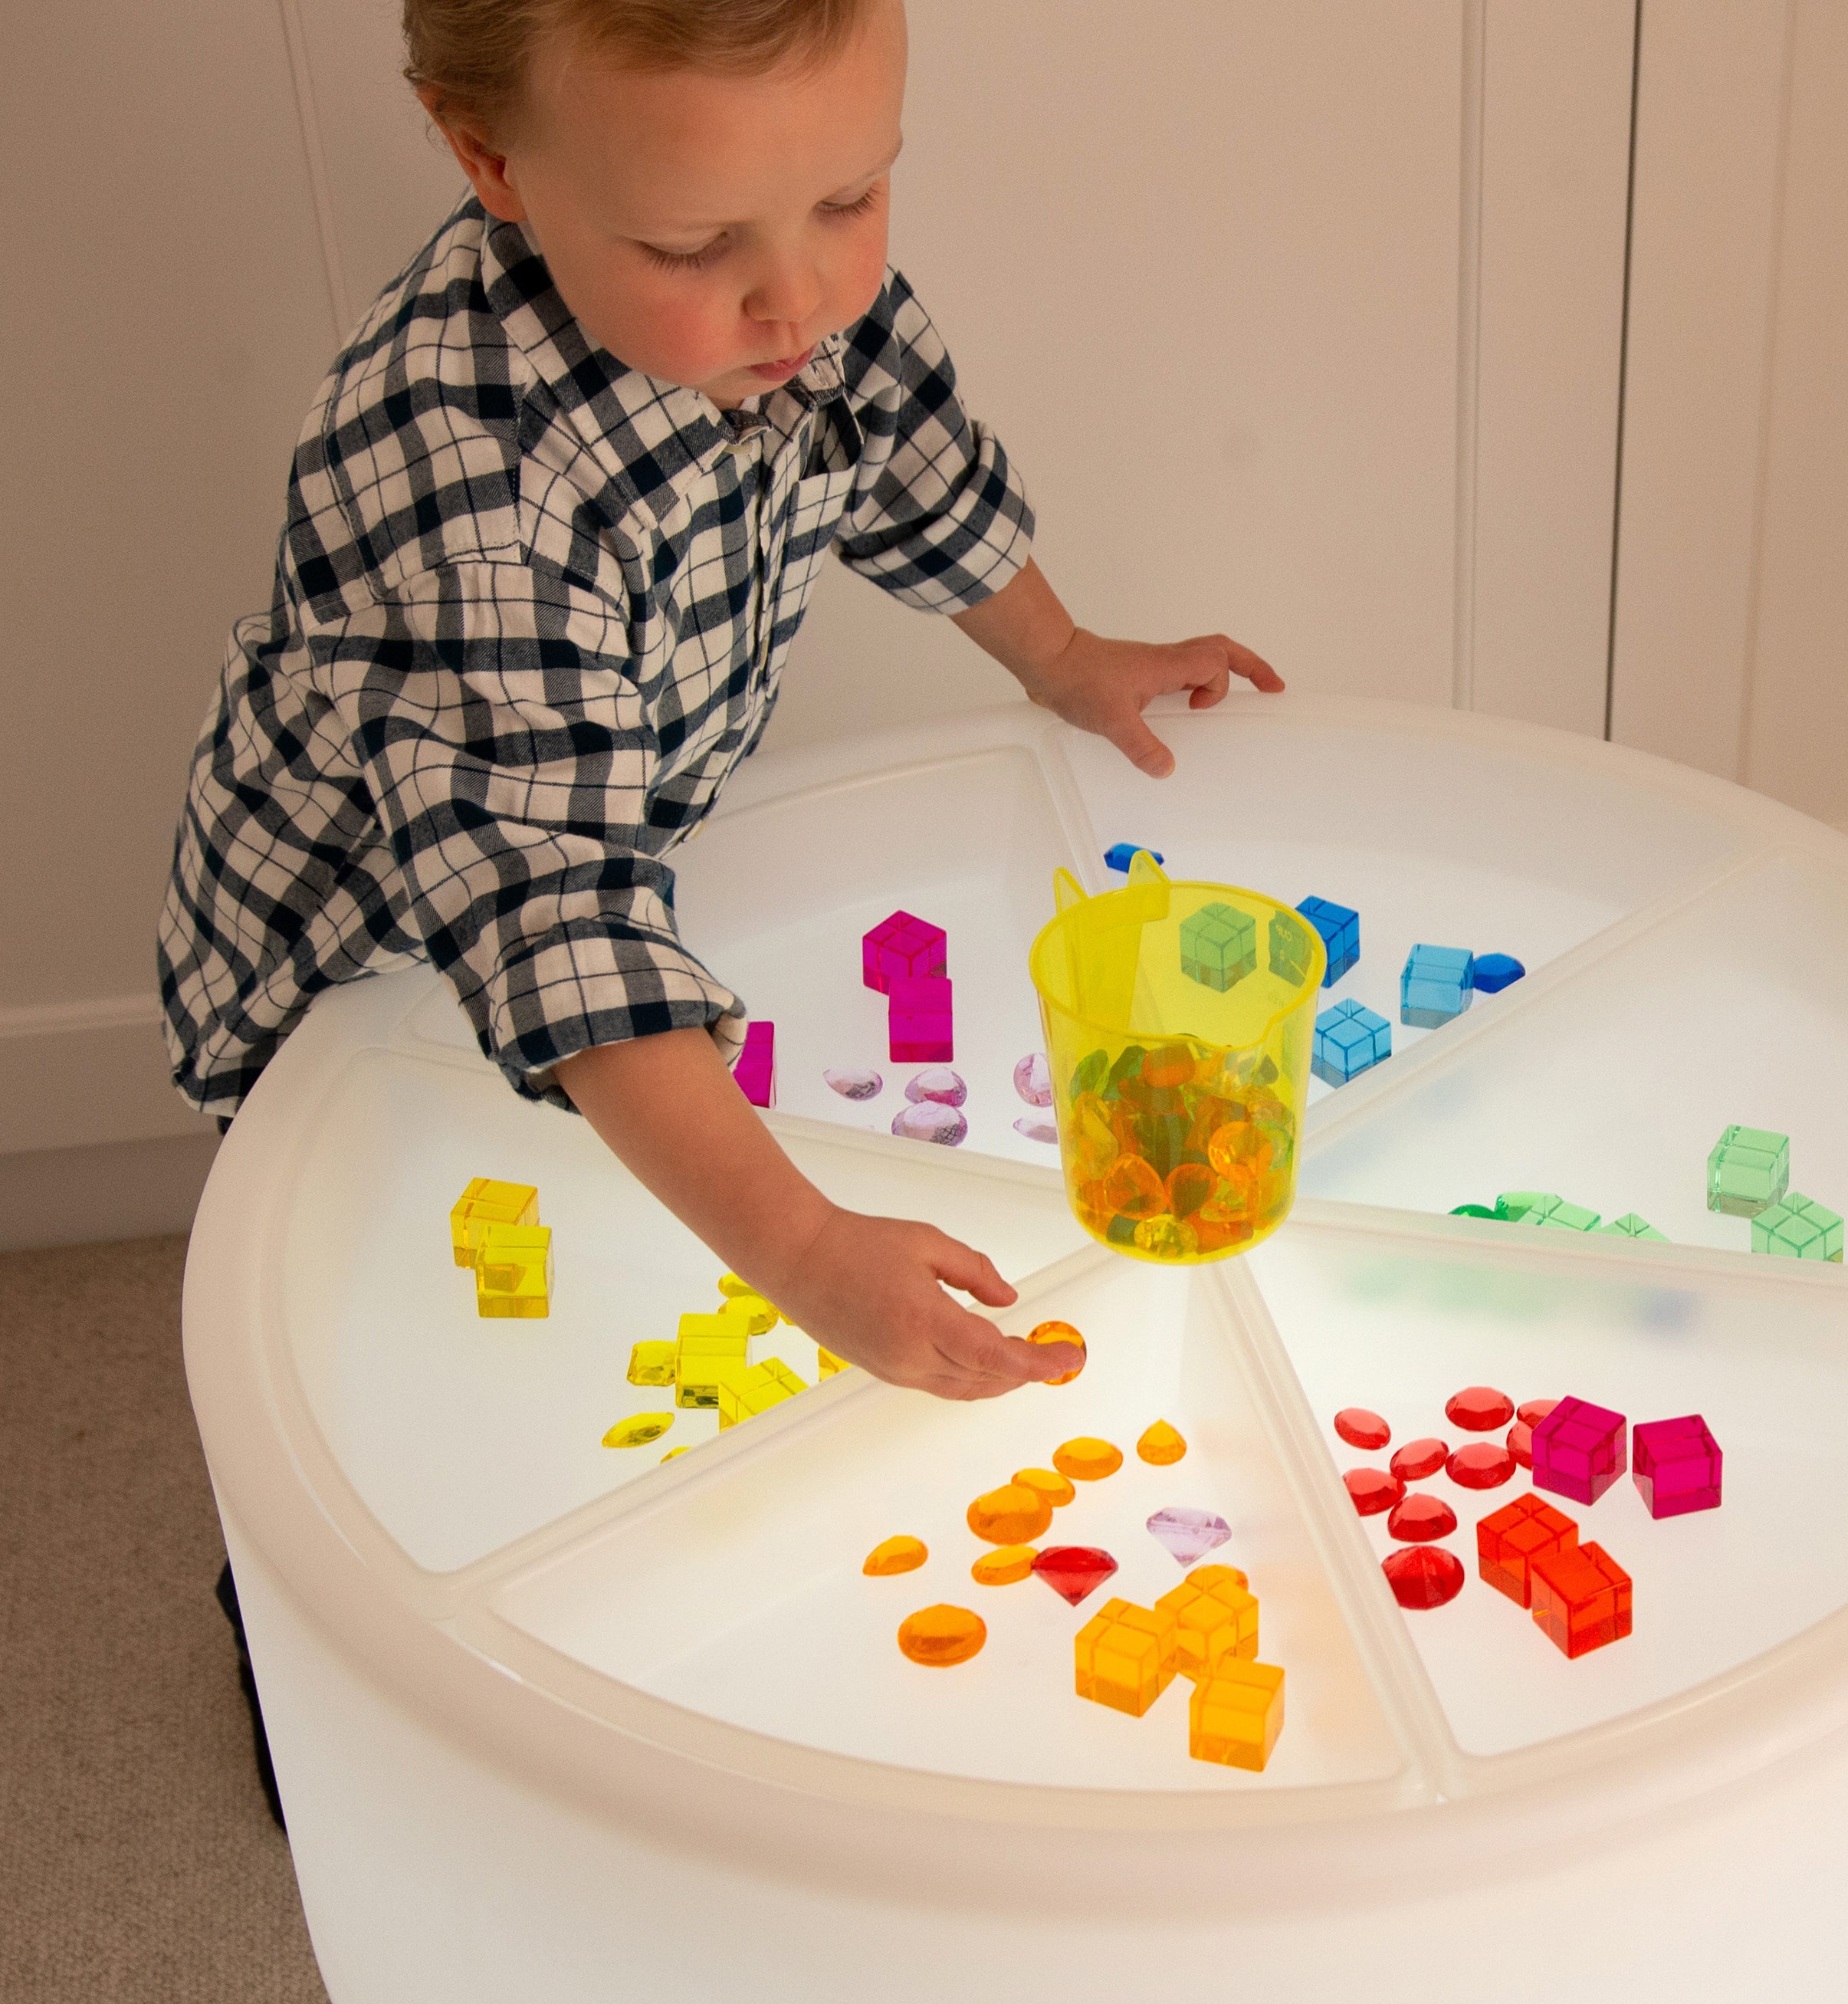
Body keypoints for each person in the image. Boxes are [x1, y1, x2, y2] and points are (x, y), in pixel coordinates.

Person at [160, 0, 1282, 1823]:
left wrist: (1065, 655)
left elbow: (910, 457)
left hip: (590, 847)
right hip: (358, 971)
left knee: (539, 1281)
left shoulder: (797, 310)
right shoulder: (478, 486)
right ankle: (298, 1640)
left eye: (854, 197)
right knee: (333, 1326)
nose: (799, 304)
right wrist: (803, 1250)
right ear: (491, 163)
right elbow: (561, 926)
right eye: (698, 250)